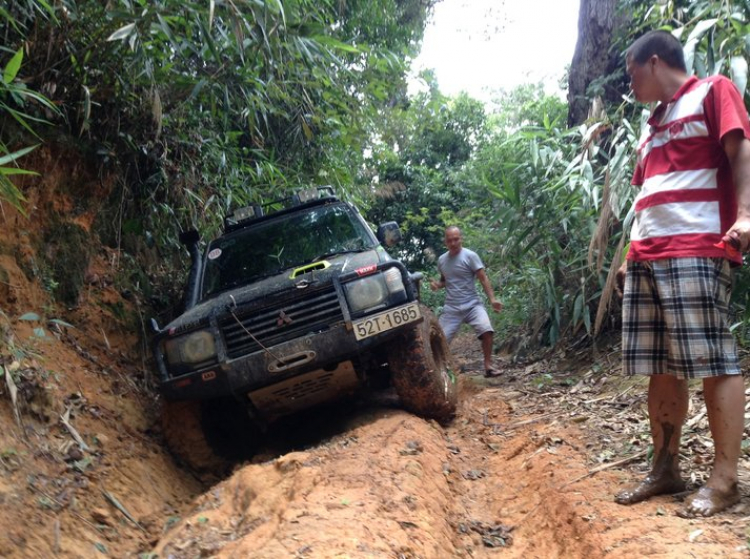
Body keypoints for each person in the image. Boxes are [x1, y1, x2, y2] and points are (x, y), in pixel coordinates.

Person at [613, 30, 750, 518]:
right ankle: (665, 468)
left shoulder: (713, 91)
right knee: (660, 365)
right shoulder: (653, 125)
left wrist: (746, 216)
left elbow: (741, 153)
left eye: (630, 73)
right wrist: (632, 252)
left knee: (713, 359)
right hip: (649, 252)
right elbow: (647, 193)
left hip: (696, 246)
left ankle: (725, 479)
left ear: (652, 62)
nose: (629, 84)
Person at [430, 226, 503, 376]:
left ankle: (488, 365)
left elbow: (483, 278)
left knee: (487, 330)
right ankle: (443, 371)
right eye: (450, 240)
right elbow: (445, 280)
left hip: (472, 305)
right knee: (439, 341)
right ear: (445, 242)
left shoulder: (470, 256)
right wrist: (438, 285)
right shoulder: (442, 260)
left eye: (456, 239)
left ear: (461, 238)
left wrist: (492, 299)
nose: (453, 243)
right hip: (452, 308)